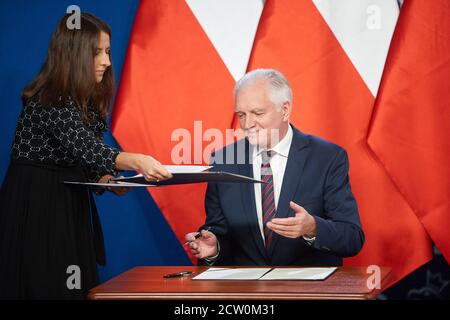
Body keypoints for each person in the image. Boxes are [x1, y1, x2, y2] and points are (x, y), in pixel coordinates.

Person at [0, 12, 172, 299]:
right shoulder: (50, 98)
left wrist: (107, 180)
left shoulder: (86, 103)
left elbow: (82, 160)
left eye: (107, 51)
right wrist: (137, 160)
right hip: (37, 209)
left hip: (68, 207)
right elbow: (87, 148)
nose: (106, 60)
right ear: (74, 54)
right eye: (97, 52)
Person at [186, 69, 364, 266]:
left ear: (285, 110)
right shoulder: (223, 159)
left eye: (257, 113)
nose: (247, 124)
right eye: (241, 115)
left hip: (309, 291)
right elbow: (219, 231)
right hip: (249, 292)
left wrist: (313, 228)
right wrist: (214, 248)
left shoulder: (327, 157)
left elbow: (352, 237)